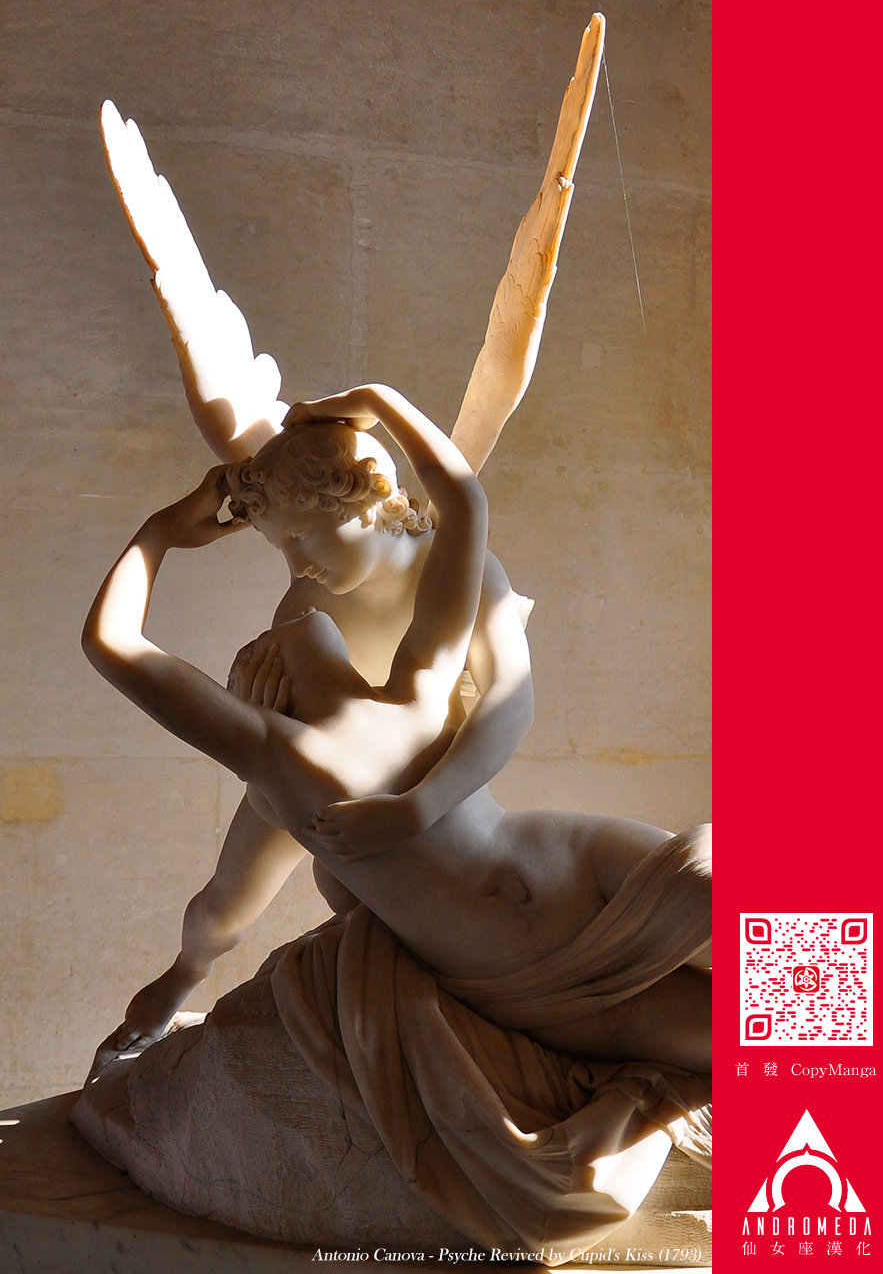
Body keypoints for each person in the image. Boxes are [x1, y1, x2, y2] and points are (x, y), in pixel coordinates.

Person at [84, 384, 710, 1077]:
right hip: (526, 956)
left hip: (576, 862)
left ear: (366, 498)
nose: (296, 581)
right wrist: (185, 971)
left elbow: (506, 690)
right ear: (266, 702)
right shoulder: (315, 736)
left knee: (791, 958)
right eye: (270, 649)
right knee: (771, 1031)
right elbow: (235, 888)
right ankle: (180, 979)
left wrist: (167, 528)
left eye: (301, 536)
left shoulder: (417, 685)